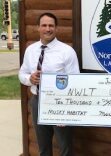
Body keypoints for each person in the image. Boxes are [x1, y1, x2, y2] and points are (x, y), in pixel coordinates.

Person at [19, 12, 80, 156]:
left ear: (56, 28)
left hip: (60, 102)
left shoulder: (67, 52)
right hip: (37, 101)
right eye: (44, 25)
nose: (48, 29)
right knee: (43, 144)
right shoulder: (30, 50)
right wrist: (29, 79)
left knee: (65, 146)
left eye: (51, 25)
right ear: (38, 28)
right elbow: (22, 74)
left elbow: (75, 81)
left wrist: (66, 111)